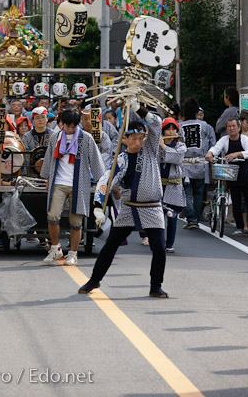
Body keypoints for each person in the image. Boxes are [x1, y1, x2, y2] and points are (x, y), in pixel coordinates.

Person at [78, 105, 169, 298]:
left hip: (153, 207)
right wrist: (97, 207)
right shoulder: (122, 159)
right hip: (129, 208)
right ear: (124, 139)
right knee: (111, 245)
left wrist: (139, 109)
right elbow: (106, 181)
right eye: (133, 138)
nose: (137, 141)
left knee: (159, 248)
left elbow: (156, 123)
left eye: (140, 137)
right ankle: (94, 280)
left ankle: (155, 286)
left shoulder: (150, 149)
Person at [41, 108, 105, 266]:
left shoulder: (86, 138)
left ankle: (73, 253)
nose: (70, 129)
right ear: (62, 123)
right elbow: (49, 158)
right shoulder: (55, 137)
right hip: (59, 182)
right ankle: (55, 248)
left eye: (73, 126)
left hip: (79, 183)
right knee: (52, 216)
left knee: (76, 221)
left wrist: (101, 182)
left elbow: (96, 162)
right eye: (67, 125)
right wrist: (47, 178)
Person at [205, 118, 248, 238]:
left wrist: (237, 154)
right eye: (229, 126)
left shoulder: (244, 139)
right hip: (232, 175)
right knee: (236, 202)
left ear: (239, 128)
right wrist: (210, 153)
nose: (231, 128)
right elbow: (216, 148)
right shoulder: (224, 140)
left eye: (234, 126)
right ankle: (239, 227)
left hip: (246, 175)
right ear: (227, 129)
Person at [180, 97, 215, 229]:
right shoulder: (205, 126)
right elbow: (213, 144)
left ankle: (191, 218)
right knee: (199, 192)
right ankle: (196, 216)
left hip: (185, 164)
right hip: (201, 163)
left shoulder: (180, 126)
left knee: (186, 192)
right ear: (196, 112)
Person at [159, 117, 186, 253]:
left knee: (172, 215)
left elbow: (177, 158)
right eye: (168, 129)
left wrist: (164, 147)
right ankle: (158, 242)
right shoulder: (157, 144)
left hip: (174, 185)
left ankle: (169, 243)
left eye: (173, 129)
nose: (171, 131)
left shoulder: (180, 145)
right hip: (159, 184)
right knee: (159, 216)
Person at [22, 106, 53, 176]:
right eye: (37, 118)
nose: (40, 120)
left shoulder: (54, 134)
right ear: (33, 120)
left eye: (43, 117)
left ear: (47, 119)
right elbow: (25, 156)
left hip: (50, 170)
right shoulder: (27, 136)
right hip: (31, 171)